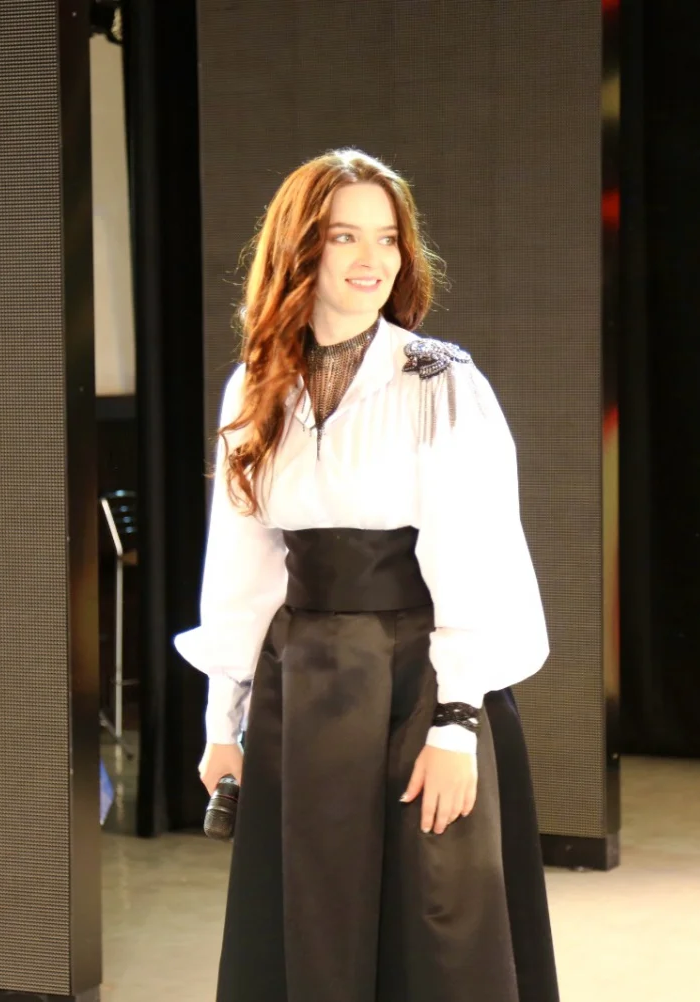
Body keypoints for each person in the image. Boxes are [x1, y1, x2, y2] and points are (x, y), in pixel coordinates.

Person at [174, 148, 559, 1002]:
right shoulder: (255, 384)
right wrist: (222, 717)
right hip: (302, 687)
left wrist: (456, 726)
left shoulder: (440, 380)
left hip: (418, 682)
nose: (371, 259)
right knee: (314, 919)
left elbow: (477, 554)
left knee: (437, 923)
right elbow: (241, 565)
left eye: (388, 238)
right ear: (300, 247)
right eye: (345, 235)